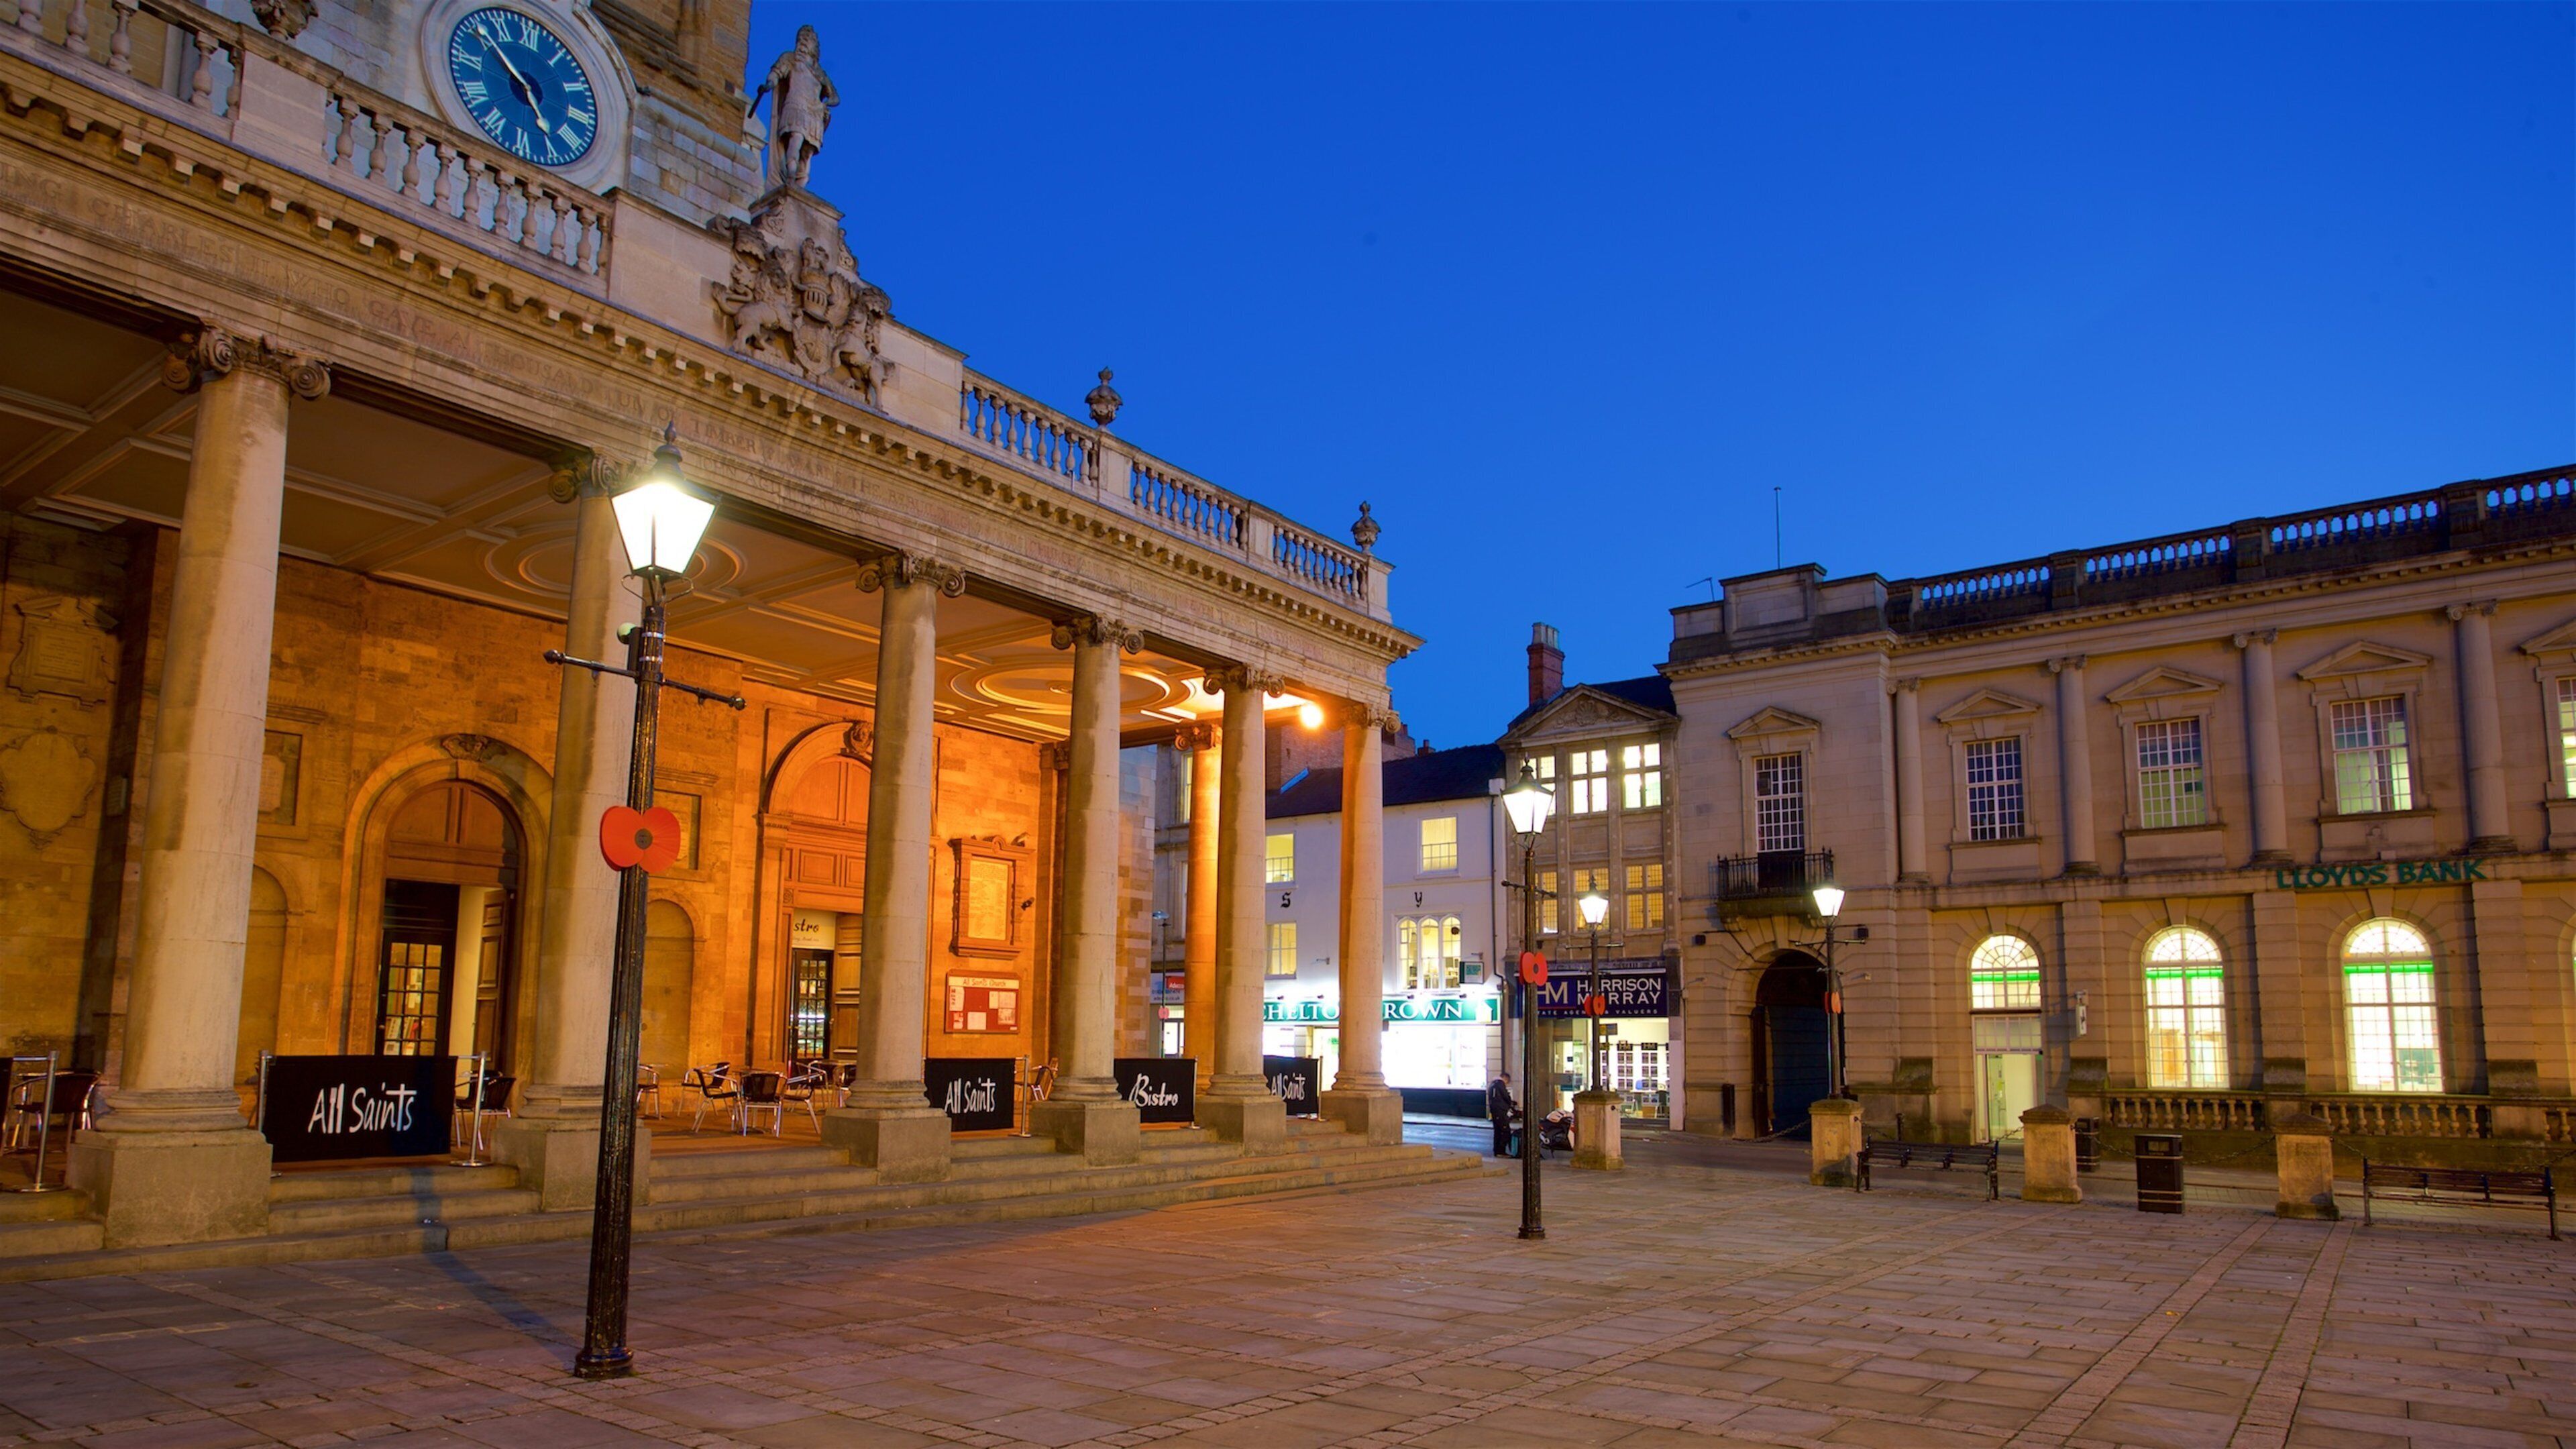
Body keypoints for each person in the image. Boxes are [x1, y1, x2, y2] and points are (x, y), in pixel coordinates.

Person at [1487, 1071, 1517, 1157]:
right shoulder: (1500, 1084)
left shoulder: (1493, 1084)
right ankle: (1501, 1151)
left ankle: (1497, 1151)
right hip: (1500, 1111)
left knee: (1498, 1131)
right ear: (1505, 1079)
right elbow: (1506, 1096)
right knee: (1505, 1131)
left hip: (1495, 1111)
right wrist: (1510, 1103)